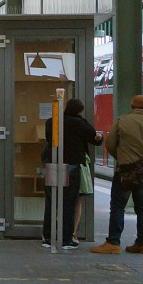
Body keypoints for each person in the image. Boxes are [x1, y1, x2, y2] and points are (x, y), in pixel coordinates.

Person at [92, 94, 143, 255]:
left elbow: (109, 144)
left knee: (117, 206)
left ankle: (113, 242)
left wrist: (121, 157)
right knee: (142, 207)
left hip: (124, 171)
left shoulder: (121, 121)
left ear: (132, 106)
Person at [41, 98, 103, 250]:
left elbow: (50, 140)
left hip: (54, 164)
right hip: (72, 165)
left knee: (51, 202)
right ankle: (66, 239)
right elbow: (93, 136)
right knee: (69, 202)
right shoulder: (79, 123)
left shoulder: (51, 121)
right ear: (79, 111)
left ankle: (47, 237)